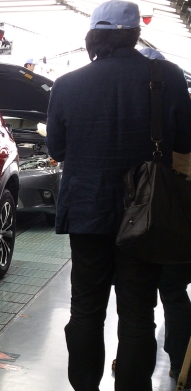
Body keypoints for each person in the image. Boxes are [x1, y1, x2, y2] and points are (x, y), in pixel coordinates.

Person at [46, 0, 191, 391]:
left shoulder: (66, 84)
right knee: (138, 314)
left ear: (93, 36)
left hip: (87, 214)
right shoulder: (168, 78)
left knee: (86, 310)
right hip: (147, 217)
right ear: (135, 34)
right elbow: (184, 141)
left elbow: (57, 150)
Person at [136, 47, 191, 386]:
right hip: (181, 207)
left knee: (150, 287)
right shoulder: (179, 104)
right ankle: (177, 360)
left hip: (164, 207)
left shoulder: (135, 110)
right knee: (173, 288)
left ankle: (169, 359)